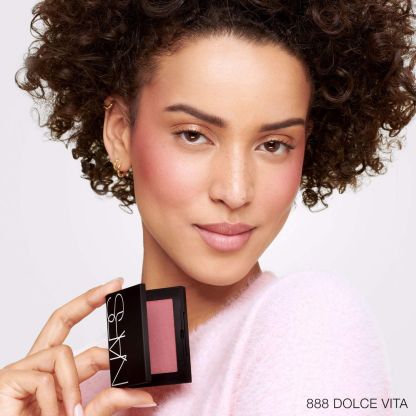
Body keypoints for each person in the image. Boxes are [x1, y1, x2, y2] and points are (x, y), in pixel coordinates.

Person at [1, 0, 415, 415]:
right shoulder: (78, 392)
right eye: (193, 135)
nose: (235, 192)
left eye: (274, 145)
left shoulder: (311, 323)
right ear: (121, 133)